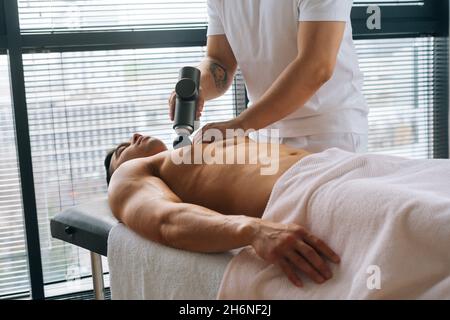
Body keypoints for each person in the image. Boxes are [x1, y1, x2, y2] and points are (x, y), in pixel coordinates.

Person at [105, 133, 340, 287]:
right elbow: (166, 220)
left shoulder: (195, 150)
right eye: (122, 149)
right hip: (312, 194)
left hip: (340, 164)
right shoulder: (130, 173)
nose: (135, 135)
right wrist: (253, 230)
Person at [168, 0, 368, 153]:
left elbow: (316, 66)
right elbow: (218, 61)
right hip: (262, 132)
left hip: (327, 133)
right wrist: (198, 87)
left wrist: (239, 126)